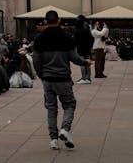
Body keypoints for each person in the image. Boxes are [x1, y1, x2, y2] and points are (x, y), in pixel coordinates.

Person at [33, 9, 91, 151]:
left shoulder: (39, 39)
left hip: (48, 79)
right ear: (58, 20)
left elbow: (35, 60)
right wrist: (86, 62)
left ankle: (53, 139)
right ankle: (65, 129)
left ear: (46, 21)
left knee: (51, 109)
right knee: (69, 105)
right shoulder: (66, 37)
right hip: (63, 78)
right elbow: (74, 58)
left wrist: (42, 75)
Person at [73, 16, 93, 84]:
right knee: (88, 63)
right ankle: (88, 78)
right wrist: (90, 46)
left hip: (80, 49)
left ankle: (83, 78)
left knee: (82, 63)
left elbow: (74, 41)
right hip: (87, 49)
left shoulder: (76, 31)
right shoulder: (87, 30)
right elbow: (91, 39)